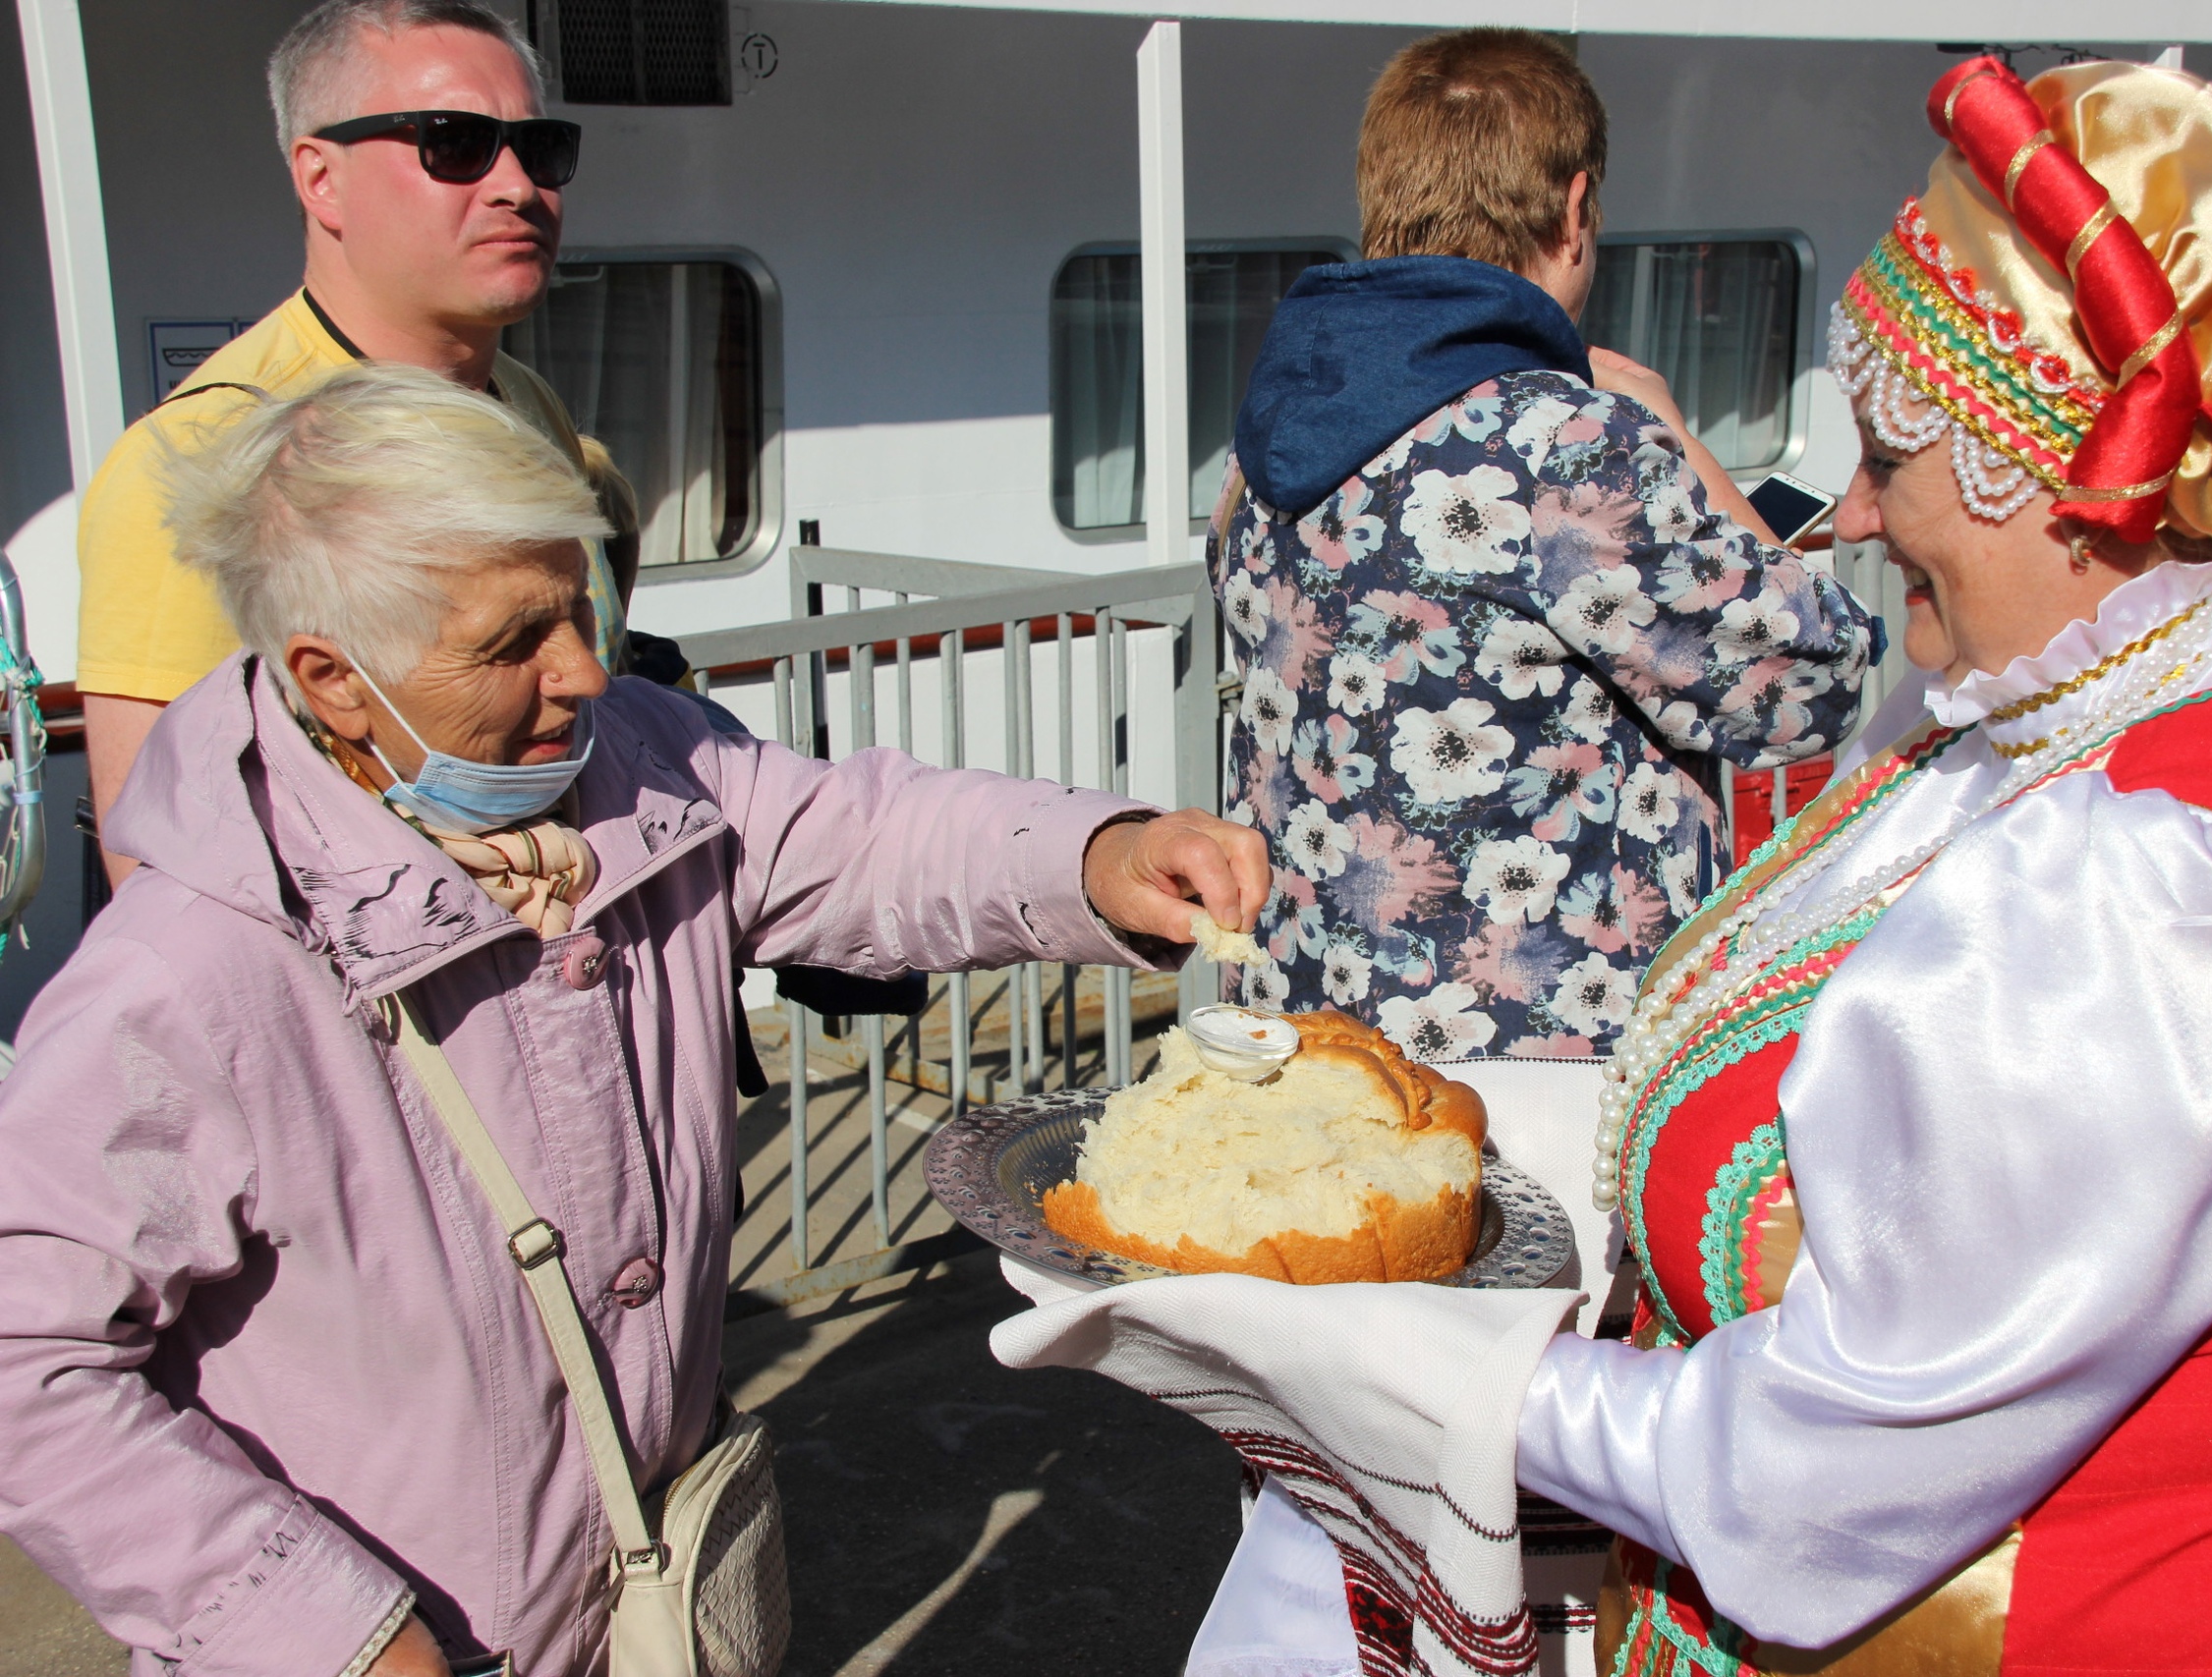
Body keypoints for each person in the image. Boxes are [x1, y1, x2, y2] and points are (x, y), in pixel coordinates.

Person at [1001, 56, 2212, 1677]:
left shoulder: (2174, 882)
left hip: (1370, 1058)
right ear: (1578, 206)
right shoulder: (1603, 460)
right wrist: (1680, 465)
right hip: (1522, 1070)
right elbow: (1776, 675)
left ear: (2075, 482)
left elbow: (1801, 1471)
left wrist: (1343, 1344)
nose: (1845, 513)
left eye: (1890, 455)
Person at [0, 364, 1269, 1677]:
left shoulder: (637, 762)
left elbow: (860, 831)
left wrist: (1096, 851)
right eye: (512, 641)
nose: (582, 669)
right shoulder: (189, 973)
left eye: (582, 602)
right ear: (332, 676)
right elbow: (25, 1359)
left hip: (649, 1604)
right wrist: (315, 1627)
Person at [1211, 28, 1876, 1058]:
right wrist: (1680, 443)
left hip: (1311, 1031)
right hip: (1532, 1066)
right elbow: (1812, 679)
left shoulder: (1263, 440)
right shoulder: (1568, 445)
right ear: (1573, 212)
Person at [78, 0, 620, 887]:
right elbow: (159, 864)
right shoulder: (204, 455)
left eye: (542, 146)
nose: (518, 184)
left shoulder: (525, 407)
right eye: (455, 142)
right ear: (320, 177)